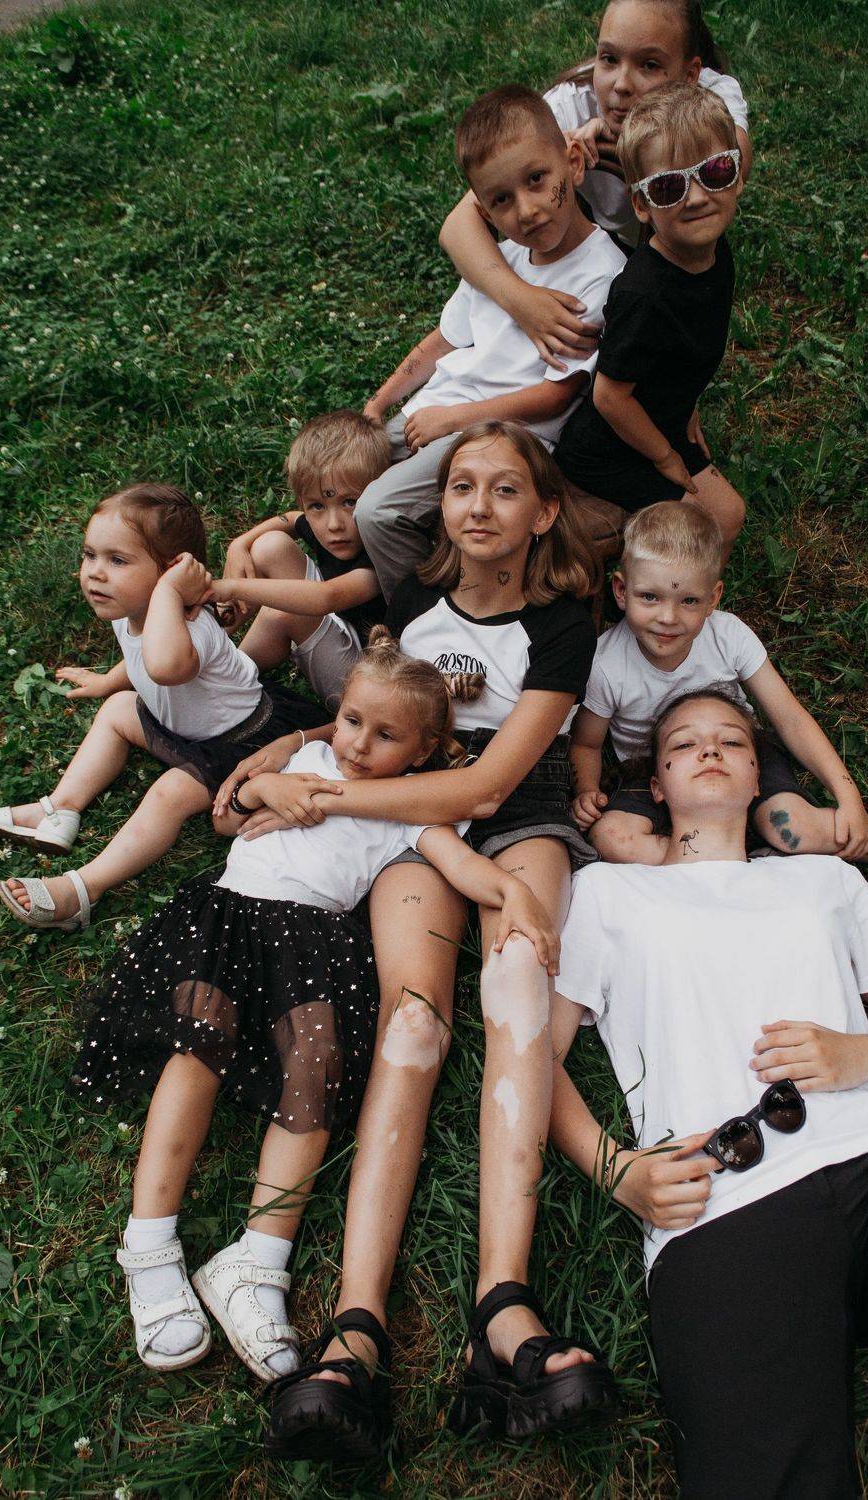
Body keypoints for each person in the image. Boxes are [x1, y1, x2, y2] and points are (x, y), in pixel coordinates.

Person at [217, 423, 619, 1465]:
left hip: (517, 813)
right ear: (438, 506)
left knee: (519, 986)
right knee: (411, 1026)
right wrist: (293, 747)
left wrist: (318, 795)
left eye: (505, 489)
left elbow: (485, 786)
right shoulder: (410, 601)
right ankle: (354, 1329)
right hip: (405, 827)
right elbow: (376, 711)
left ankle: (504, 1306)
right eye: (460, 486)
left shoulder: (563, 626)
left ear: (543, 511)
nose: (478, 506)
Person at [73, 634, 559, 1382]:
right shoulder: (306, 760)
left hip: (314, 948)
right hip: (236, 920)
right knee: (197, 1053)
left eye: (387, 735)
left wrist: (514, 891)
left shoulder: (409, 814)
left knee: (314, 1083)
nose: (358, 745)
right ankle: (149, 1238)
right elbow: (225, 816)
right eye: (353, 720)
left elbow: (464, 866)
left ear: (427, 750)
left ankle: (259, 1258)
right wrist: (265, 790)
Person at [551, 688, 868, 1498]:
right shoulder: (605, 892)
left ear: (757, 776)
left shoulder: (825, 881)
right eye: (683, 744)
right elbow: (534, 1057)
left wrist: (859, 1055)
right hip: (724, 1202)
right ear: (657, 786)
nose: (710, 750)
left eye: (732, 742)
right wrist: (616, 1169)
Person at [570, 502, 868, 912]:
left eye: (688, 600)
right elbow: (586, 743)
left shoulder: (728, 636)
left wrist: (847, 796)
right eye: (649, 597)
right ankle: (740, 855)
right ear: (621, 591)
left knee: (792, 827)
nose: (667, 617)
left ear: (713, 598)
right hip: (655, 771)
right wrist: (586, 790)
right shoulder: (606, 662)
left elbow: (790, 718)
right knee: (613, 838)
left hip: (737, 756)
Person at [0, 484, 323, 932]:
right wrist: (108, 681)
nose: (95, 573)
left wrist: (170, 592)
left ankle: (83, 889)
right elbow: (138, 657)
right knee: (119, 708)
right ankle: (59, 809)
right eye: (90, 555)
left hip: (241, 744)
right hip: (184, 728)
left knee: (170, 792)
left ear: (171, 571)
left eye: (117, 560)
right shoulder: (130, 609)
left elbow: (163, 666)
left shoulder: (191, 627)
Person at [354, 84, 625, 598]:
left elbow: (557, 396)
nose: (526, 210)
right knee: (345, 469)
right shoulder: (501, 259)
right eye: (502, 200)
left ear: (572, 163)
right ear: (483, 209)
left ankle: (419, 619)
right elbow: (443, 340)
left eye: (537, 180)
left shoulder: (601, 273)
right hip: (436, 414)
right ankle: (343, 587)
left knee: (378, 510)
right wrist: (378, 404)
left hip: (499, 434)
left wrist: (453, 420)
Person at [438, 0, 751, 369]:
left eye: (649, 65)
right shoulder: (571, 104)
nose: (621, 84)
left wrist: (627, 146)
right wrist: (522, 301)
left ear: (689, 75)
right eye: (609, 59)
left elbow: (732, 168)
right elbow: (458, 226)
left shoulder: (710, 98)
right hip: (600, 242)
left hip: (669, 237)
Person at [554, 83, 746, 554]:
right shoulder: (644, 294)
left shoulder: (716, 254)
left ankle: (684, 586)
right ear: (640, 205)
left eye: (715, 172)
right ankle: (631, 571)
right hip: (609, 452)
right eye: (668, 187)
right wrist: (665, 457)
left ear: (738, 174)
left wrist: (687, 408)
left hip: (662, 422)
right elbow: (609, 396)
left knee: (727, 517)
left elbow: (680, 356)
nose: (696, 198)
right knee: (705, 527)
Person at [215, 409, 390, 711]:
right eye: (318, 506)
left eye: (350, 502)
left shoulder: (382, 551)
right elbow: (292, 518)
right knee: (269, 547)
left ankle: (224, 680)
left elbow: (325, 597)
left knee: (285, 608)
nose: (333, 524)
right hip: (337, 631)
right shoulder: (329, 526)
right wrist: (239, 544)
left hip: (365, 684)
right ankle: (209, 649)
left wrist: (230, 587)